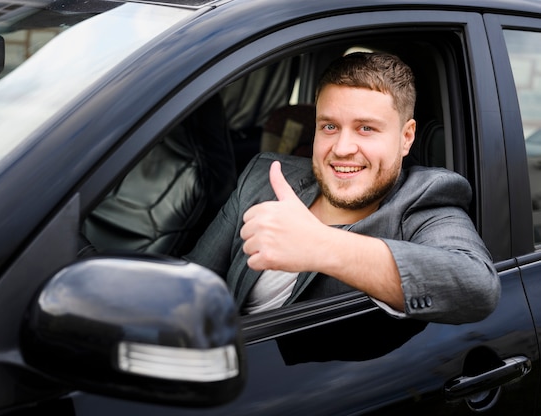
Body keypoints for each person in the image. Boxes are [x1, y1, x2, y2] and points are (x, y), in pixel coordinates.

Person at [184, 52, 500, 324]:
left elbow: (477, 286)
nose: (342, 147)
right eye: (330, 127)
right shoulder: (264, 175)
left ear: (406, 137)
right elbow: (191, 282)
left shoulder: (426, 200)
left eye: (366, 128)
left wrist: (320, 245)